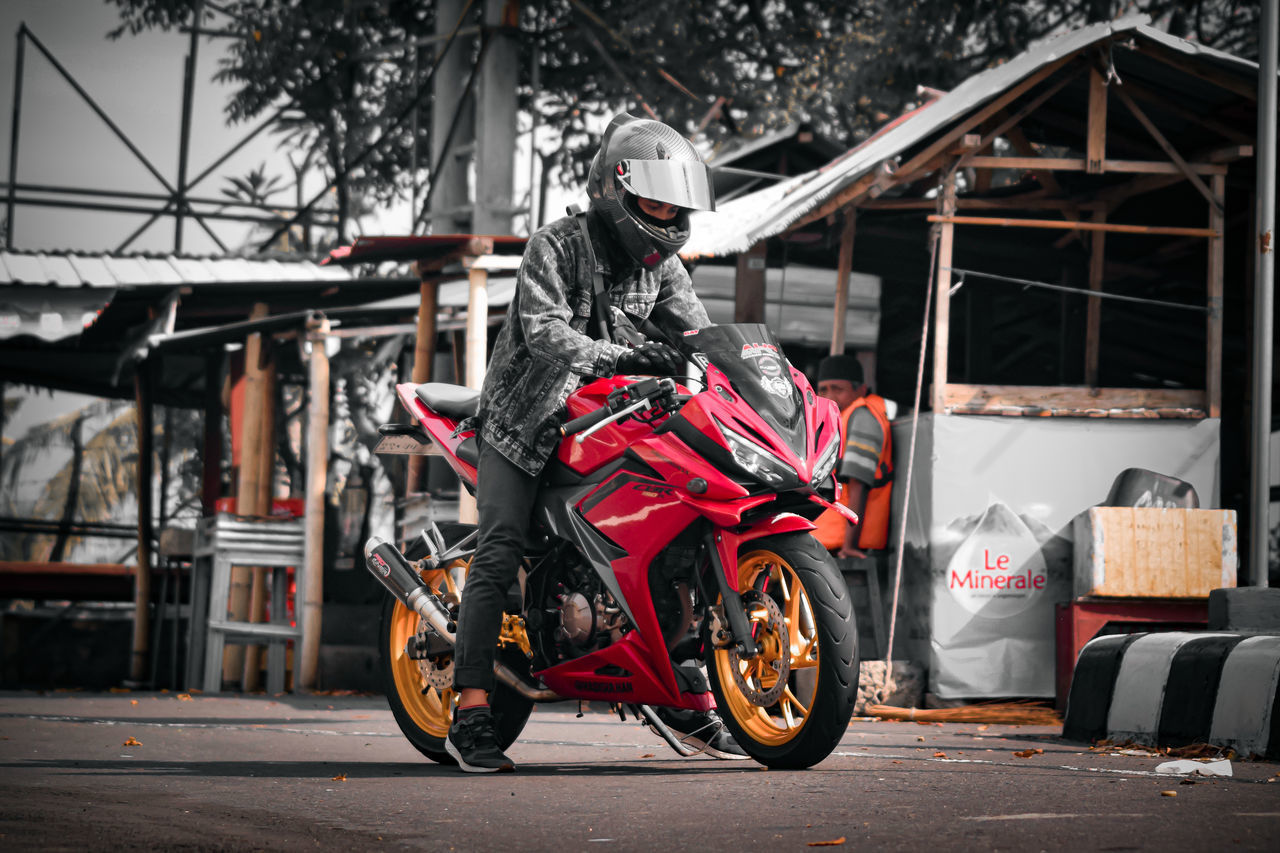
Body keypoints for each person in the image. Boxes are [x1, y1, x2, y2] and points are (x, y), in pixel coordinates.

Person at [445, 113, 745, 772]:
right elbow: (546, 331)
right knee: (497, 551)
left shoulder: (664, 267)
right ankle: (470, 711)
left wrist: (738, 369)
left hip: (608, 428)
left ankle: (681, 691)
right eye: (655, 196)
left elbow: (698, 334)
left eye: (674, 199)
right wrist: (621, 359)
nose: (666, 212)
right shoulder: (554, 246)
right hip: (524, 427)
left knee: (678, 528)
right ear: (617, 187)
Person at [812, 354, 894, 561]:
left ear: (861, 390)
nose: (830, 396)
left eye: (838, 389)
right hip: (826, 541)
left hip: (846, 546)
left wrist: (849, 546)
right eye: (823, 389)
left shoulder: (862, 417)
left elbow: (859, 483)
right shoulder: (836, 420)